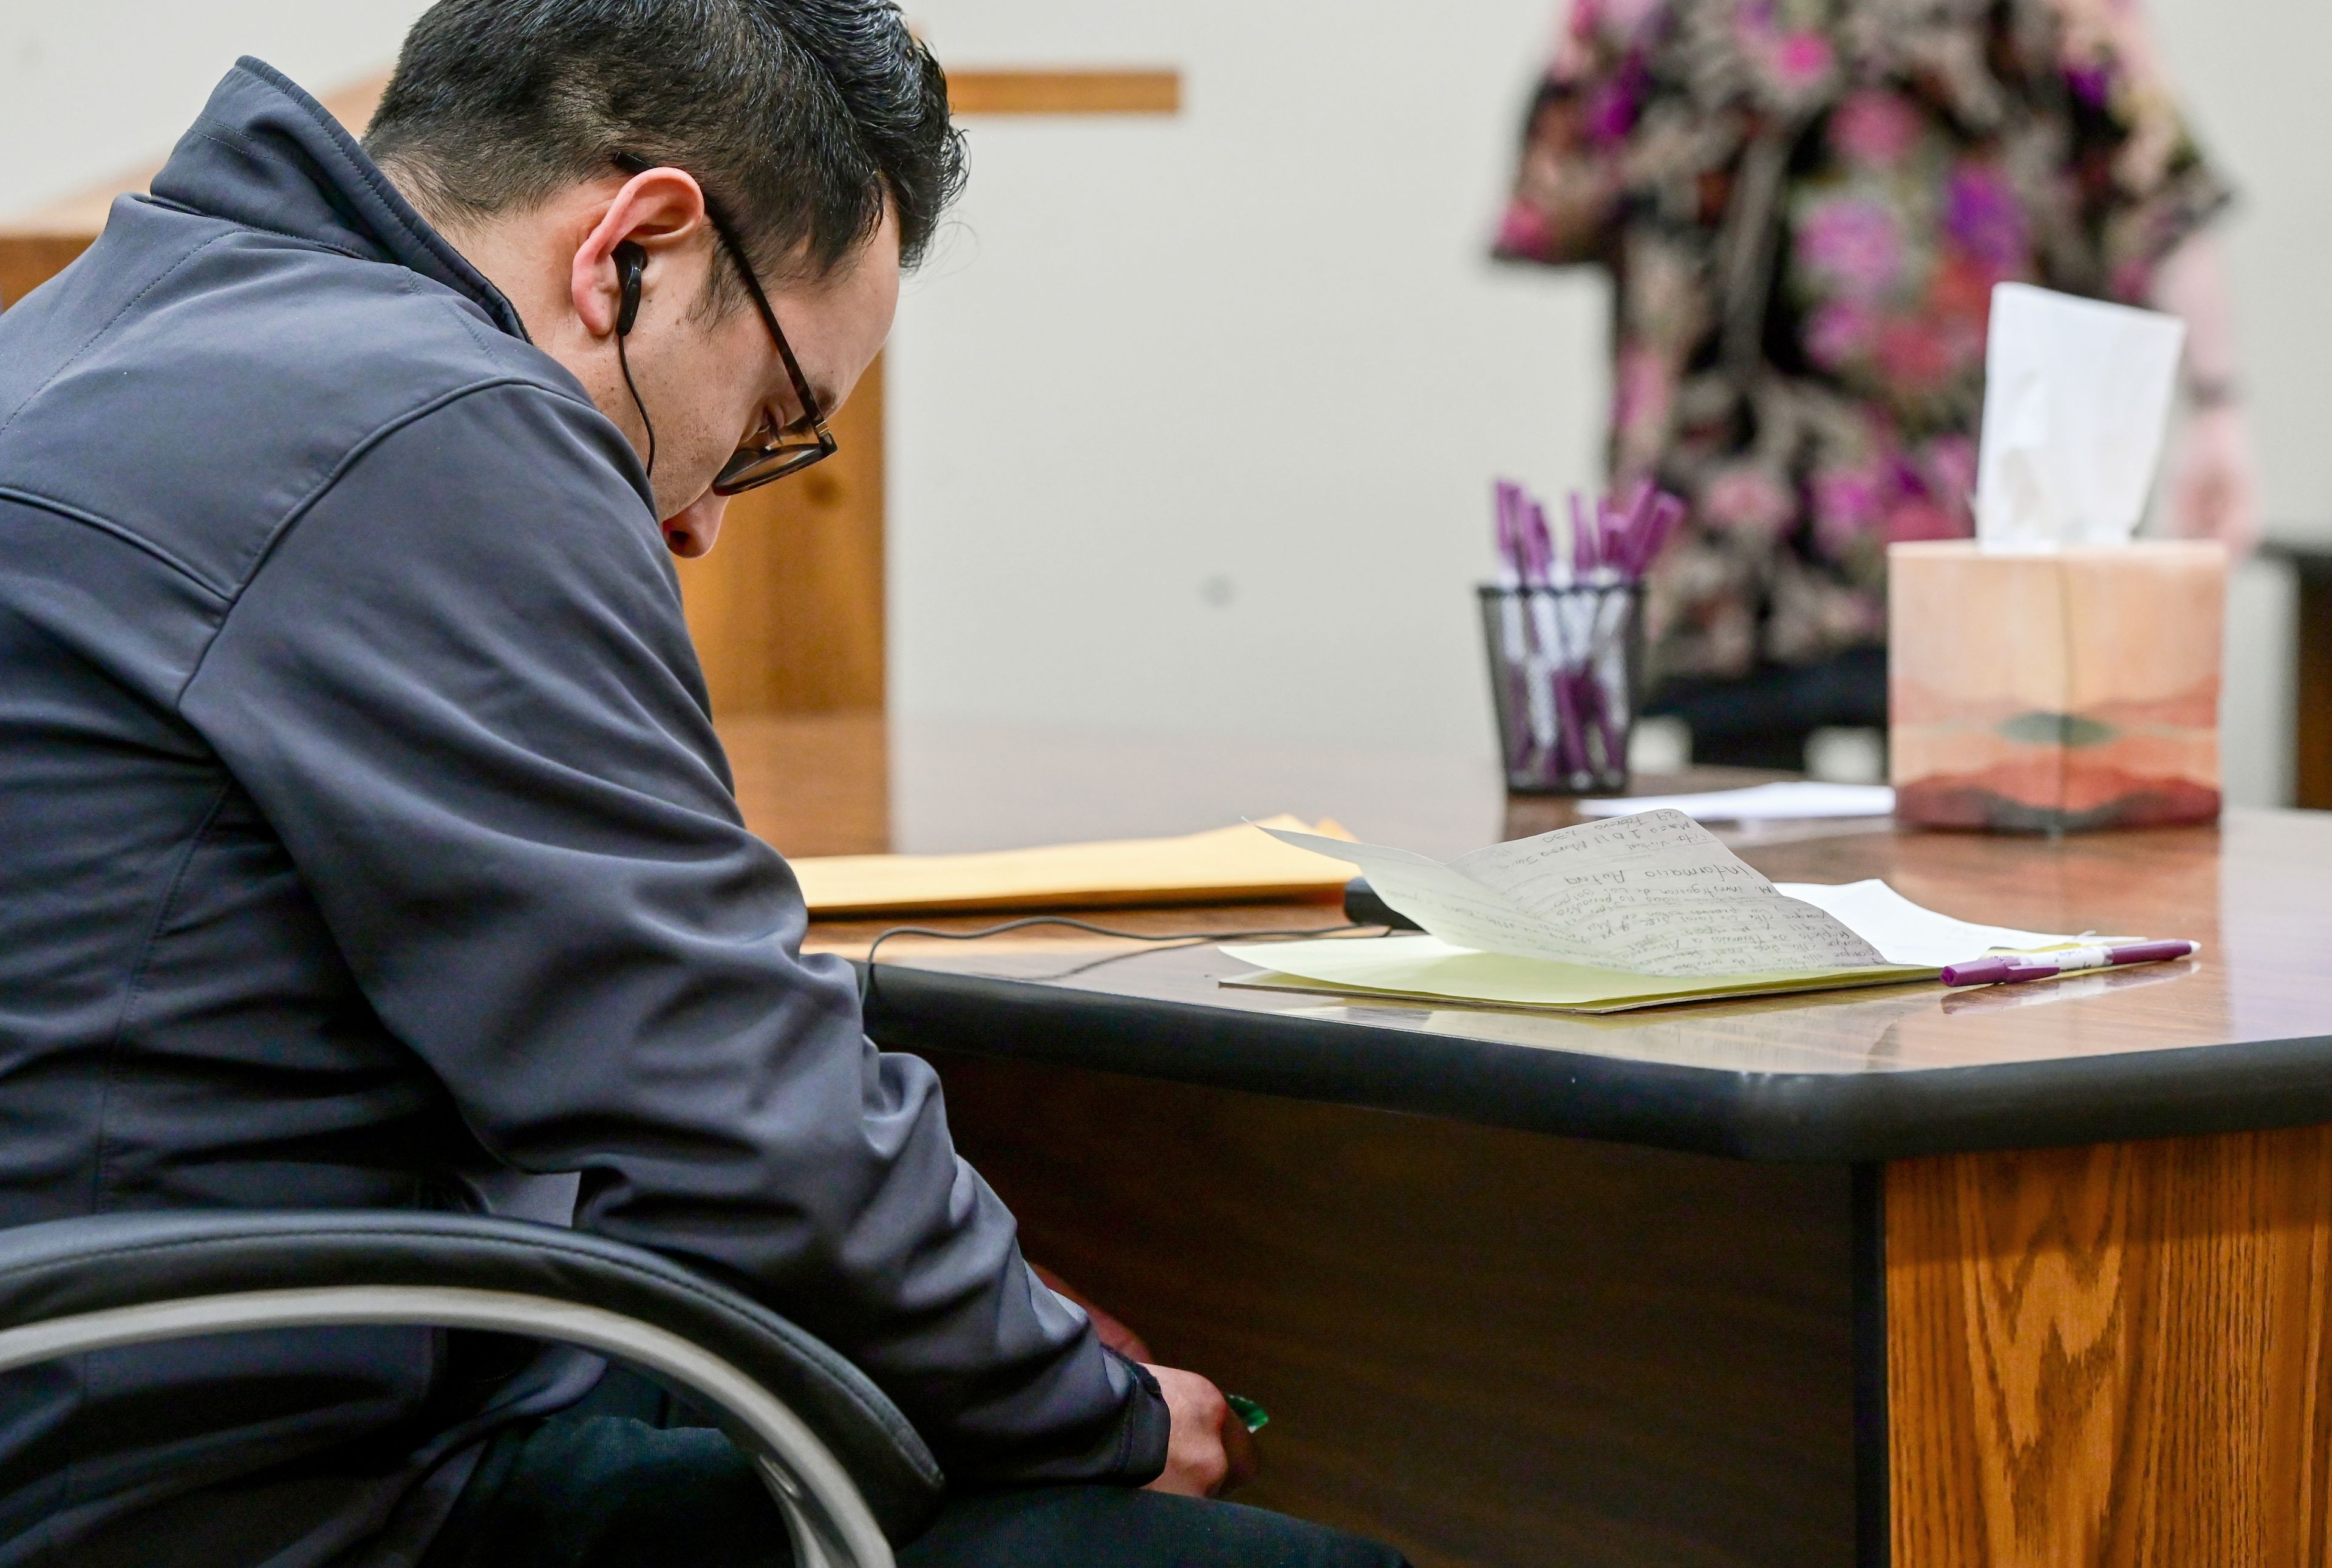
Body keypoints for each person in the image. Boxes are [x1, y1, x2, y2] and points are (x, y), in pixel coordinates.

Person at [0, 4, 1411, 1565]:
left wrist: (985, 1321)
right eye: (766, 427)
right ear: (637, 253)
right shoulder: (425, 424)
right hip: (244, 1495)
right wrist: (1106, 1413)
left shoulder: (85, 337)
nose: (702, 528)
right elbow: (732, 1101)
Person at [1494, 0, 2257, 769]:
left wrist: (2218, 411)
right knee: (1737, 842)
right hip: (1737, 524)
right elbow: (1561, 191)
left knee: (1954, 833)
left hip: (1938, 518)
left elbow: (2153, 182)